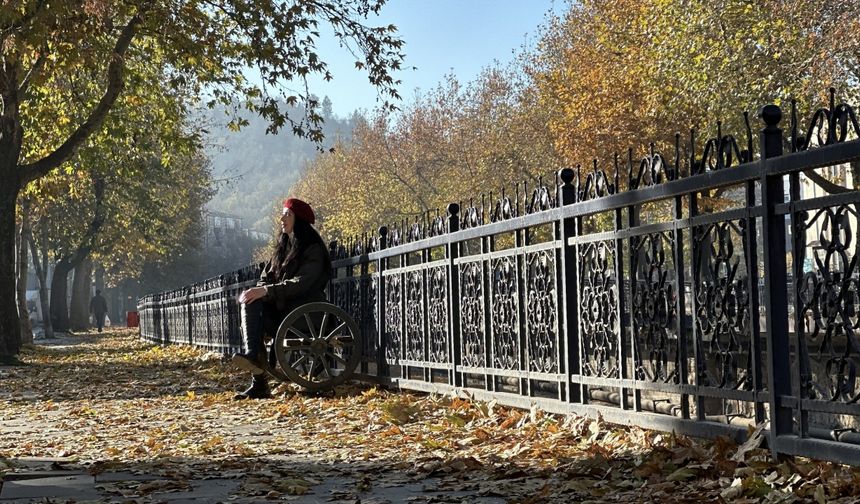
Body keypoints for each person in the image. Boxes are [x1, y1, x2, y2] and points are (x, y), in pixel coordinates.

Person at [231, 197, 331, 399]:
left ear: (299, 220)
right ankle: (257, 375)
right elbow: (265, 278)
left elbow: (302, 283)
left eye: (288, 214)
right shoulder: (283, 246)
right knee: (250, 302)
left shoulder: (313, 248)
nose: (282, 218)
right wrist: (258, 291)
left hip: (305, 314)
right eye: (283, 213)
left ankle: (254, 363)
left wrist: (267, 292)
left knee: (257, 300)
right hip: (283, 311)